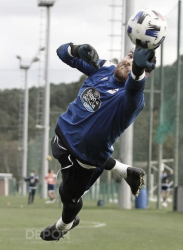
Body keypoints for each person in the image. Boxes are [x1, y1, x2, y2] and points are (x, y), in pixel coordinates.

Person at [40, 42, 156, 241]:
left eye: (133, 63)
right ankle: (126, 171)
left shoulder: (133, 99)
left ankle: (63, 226)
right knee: (87, 150)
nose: (127, 62)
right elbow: (61, 53)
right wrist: (77, 49)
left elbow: (135, 87)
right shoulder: (104, 69)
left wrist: (138, 69)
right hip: (61, 137)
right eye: (128, 57)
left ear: (143, 75)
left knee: (68, 197)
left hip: (84, 159)